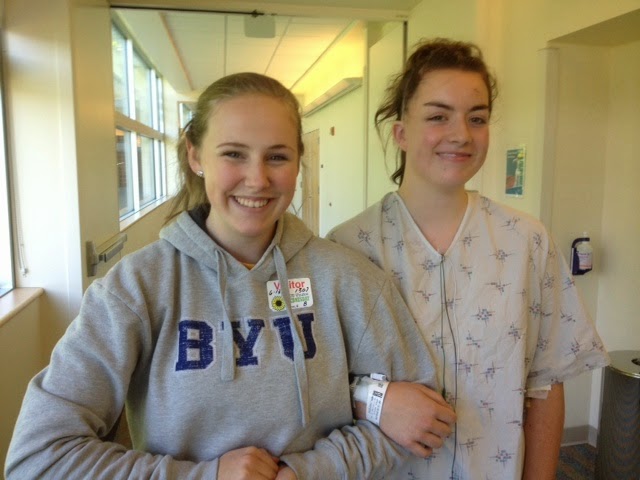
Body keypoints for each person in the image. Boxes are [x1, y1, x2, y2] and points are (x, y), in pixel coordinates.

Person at [5, 72, 440, 480]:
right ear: (195, 155)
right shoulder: (136, 289)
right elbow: (39, 456)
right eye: (234, 154)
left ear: (298, 162)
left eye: (277, 157)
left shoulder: (348, 279)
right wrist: (203, 475)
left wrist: (310, 471)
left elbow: (417, 420)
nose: (257, 179)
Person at [329, 38, 610, 479]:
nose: (461, 134)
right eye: (438, 116)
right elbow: (315, 385)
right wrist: (376, 400)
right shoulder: (348, 249)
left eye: (476, 118)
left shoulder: (526, 242)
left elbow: (545, 383)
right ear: (401, 133)